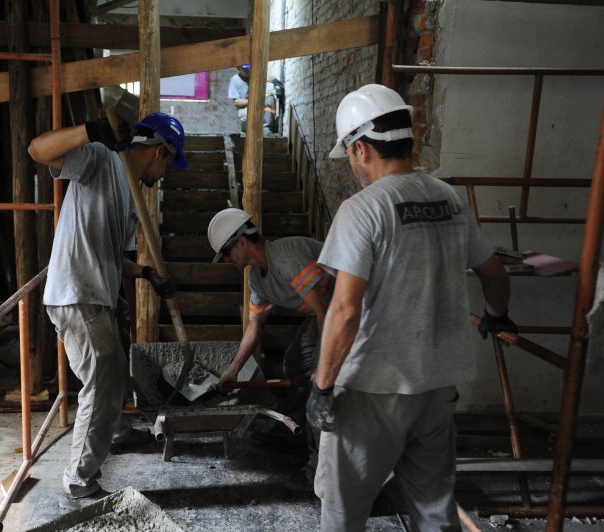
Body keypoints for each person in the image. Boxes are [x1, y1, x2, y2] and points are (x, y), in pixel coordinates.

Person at [307, 84, 517, 531]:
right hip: (437, 387)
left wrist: (322, 386)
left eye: (347, 152)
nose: (350, 162)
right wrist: (497, 315)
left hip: (373, 389)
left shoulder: (363, 210)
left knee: (343, 508)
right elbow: (495, 273)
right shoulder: (450, 198)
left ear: (361, 148)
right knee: (434, 507)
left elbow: (345, 311)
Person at [28, 112, 186, 505]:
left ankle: (115, 432)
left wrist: (147, 272)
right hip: (76, 293)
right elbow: (37, 150)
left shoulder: (130, 194)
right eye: (169, 162)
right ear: (159, 151)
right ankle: (79, 480)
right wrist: (88, 130)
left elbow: (118, 258)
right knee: (100, 387)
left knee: (113, 374)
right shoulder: (100, 158)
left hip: (95, 295)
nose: (165, 173)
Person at [207, 207, 333, 492]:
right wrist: (232, 370)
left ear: (241, 241)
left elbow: (325, 312)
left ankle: (317, 470)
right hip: (327, 311)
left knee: (320, 386)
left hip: (354, 307)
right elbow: (255, 328)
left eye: (226, 253)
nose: (227, 260)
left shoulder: (286, 257)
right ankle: (295, 427)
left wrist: (324, 369)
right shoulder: (257, 280)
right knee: (295, 361)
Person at [227, 64, 278, 135]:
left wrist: (276, 82)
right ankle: (247, 131)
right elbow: (236, 102)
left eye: (249, 67)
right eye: (245, 68)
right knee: (246, 114)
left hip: (259, 105)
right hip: (245, 108)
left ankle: (267, 128)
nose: (247, 70)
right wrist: (253, 102)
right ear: (238, 68)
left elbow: (269, 77)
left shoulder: (255, 75)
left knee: (270, 98)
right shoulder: (235, 80)